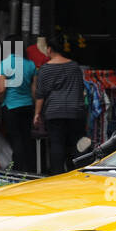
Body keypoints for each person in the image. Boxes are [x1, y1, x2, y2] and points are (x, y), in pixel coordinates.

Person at [33, 43, 86, 174]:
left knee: (57, 144)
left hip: (54, 112)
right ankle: (75, 173)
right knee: (75, 145)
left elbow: (40, 94)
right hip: (75, 112)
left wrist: (37, 113)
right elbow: (81, 89)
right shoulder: (74, 66)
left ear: (50, 49)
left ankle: (58, 175)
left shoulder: (45, 69)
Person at [0, 35, 36, 172]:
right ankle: (30, 169)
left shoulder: (5, 63)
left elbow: (1, 89)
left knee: (16, 139)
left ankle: (18, 170)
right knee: (27, 137)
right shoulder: (30, 64)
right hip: (28, 106)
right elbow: (34, 91)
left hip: (11, 106)